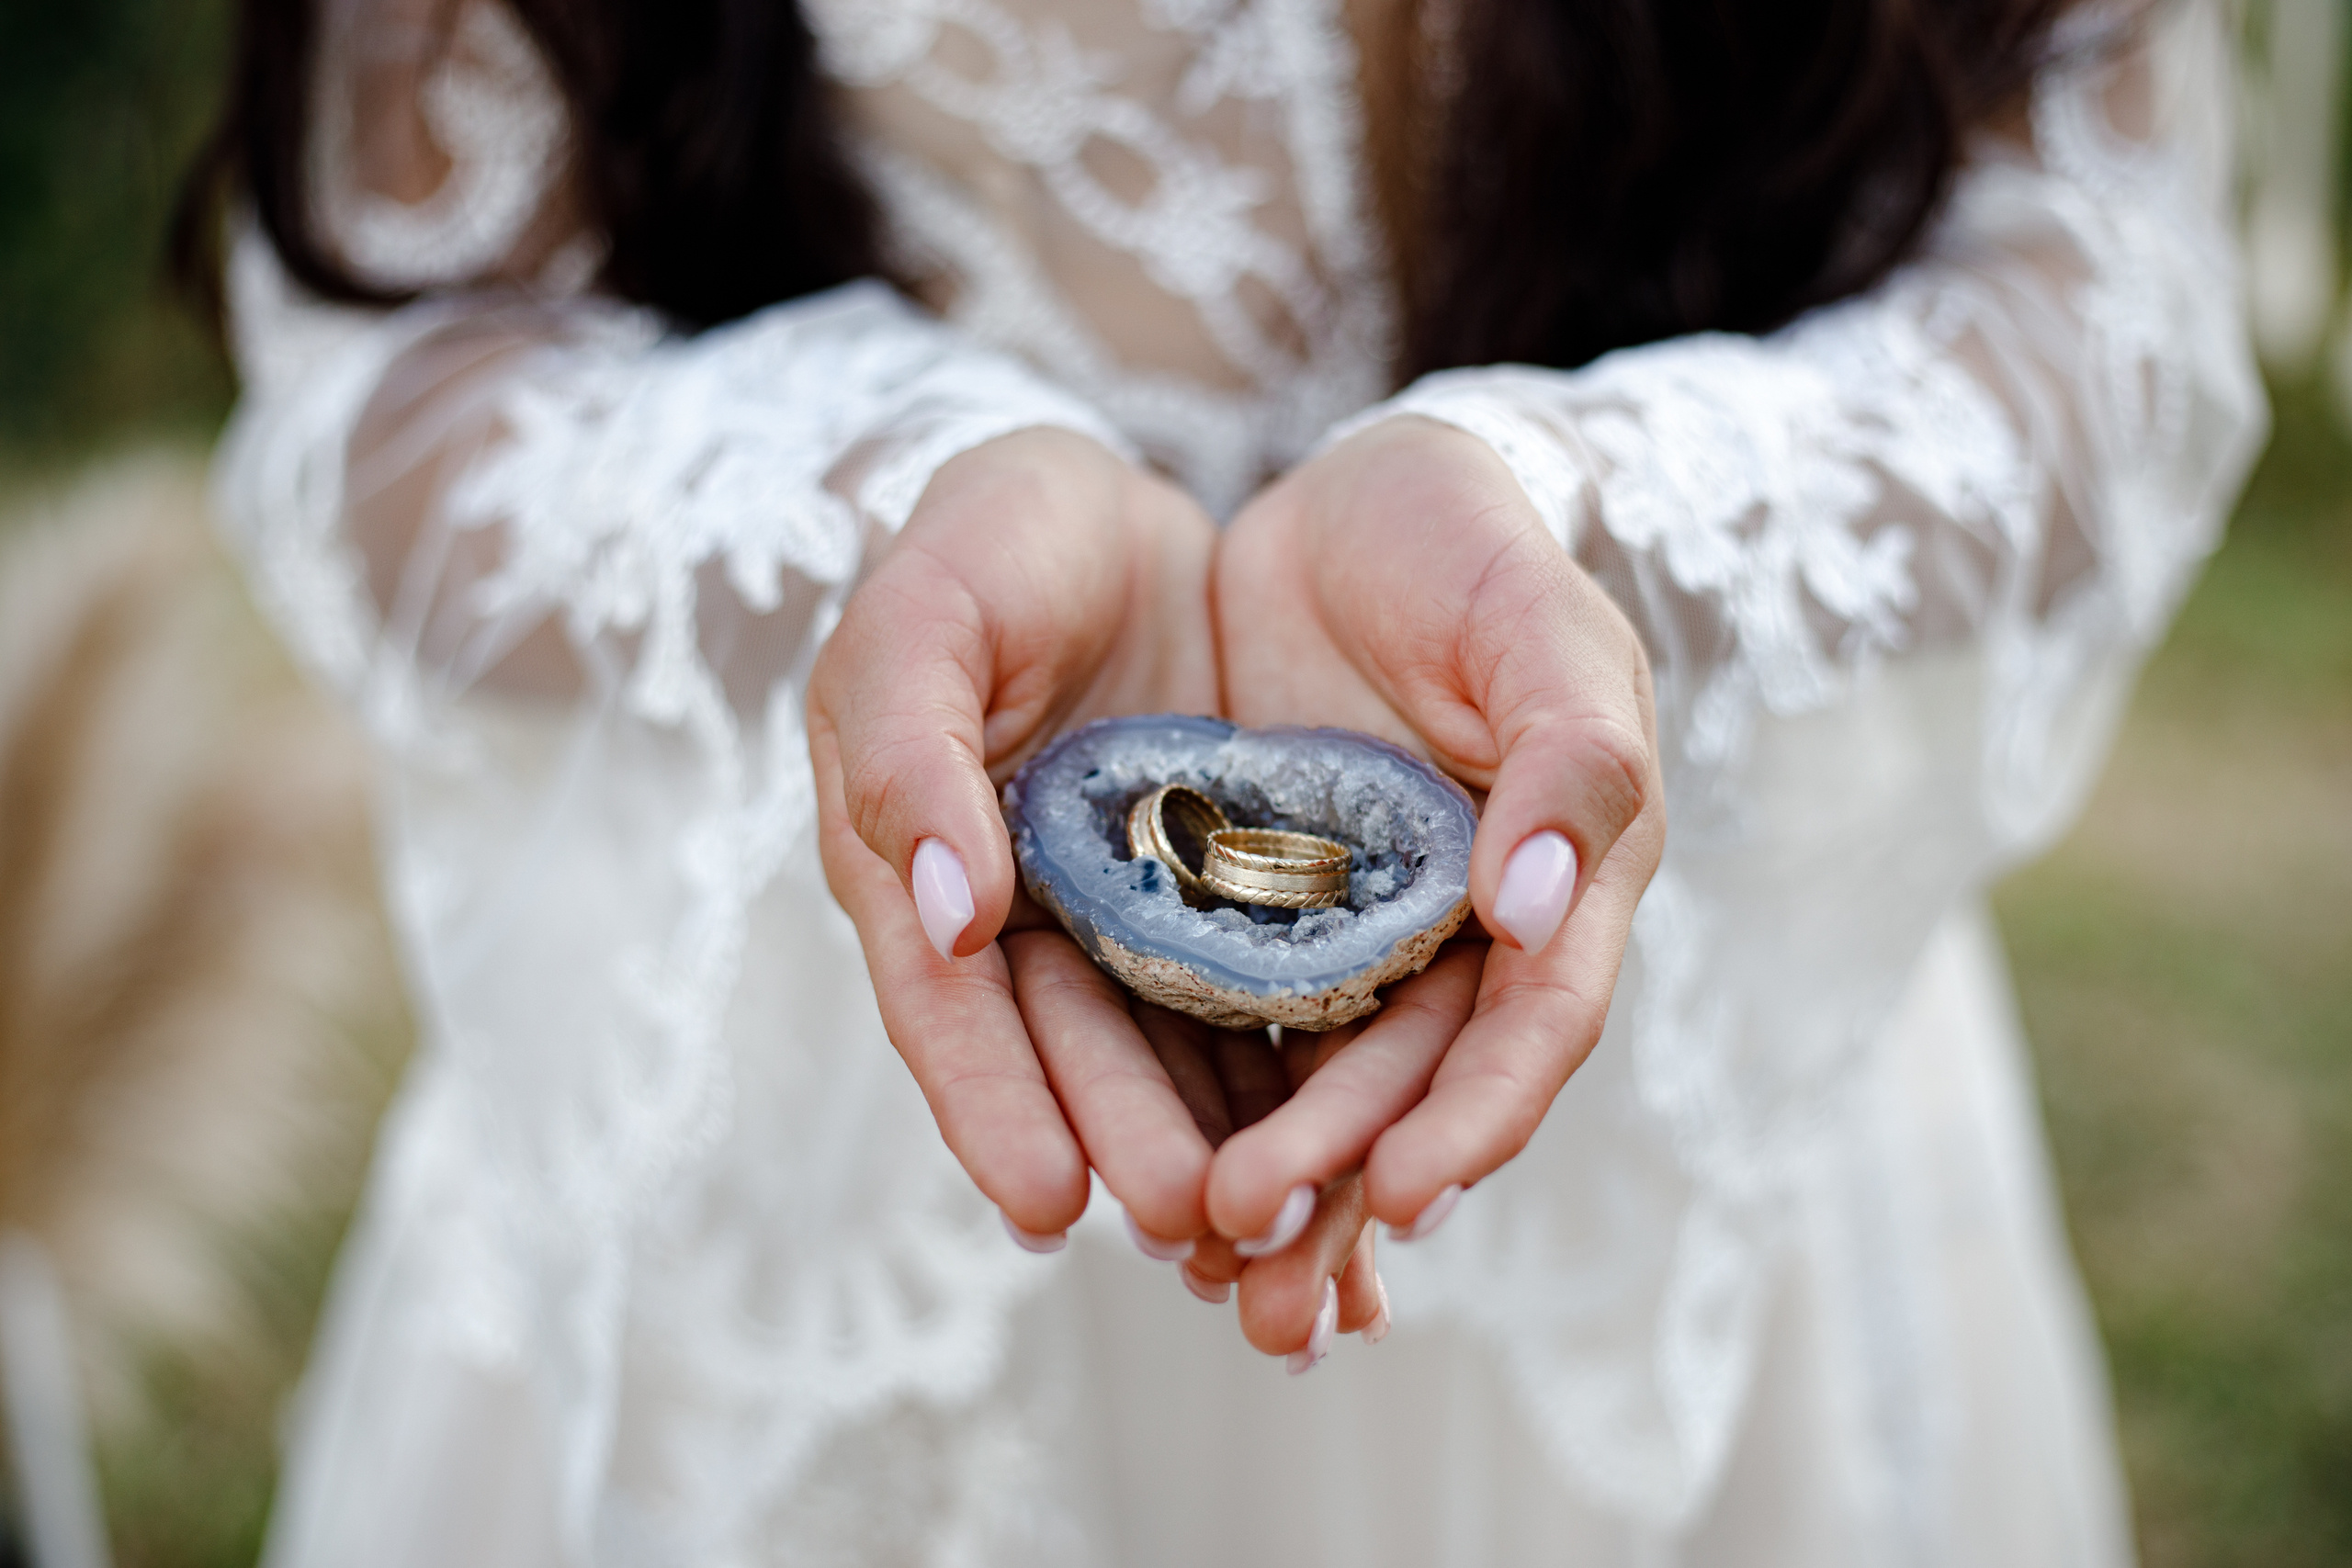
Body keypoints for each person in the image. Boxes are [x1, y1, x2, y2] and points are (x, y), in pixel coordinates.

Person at [176, 0, 2265, 1560]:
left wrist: (1575, 504)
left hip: (1676, 1048)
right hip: (813, 1092)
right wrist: (890, 494)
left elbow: (2106, 300)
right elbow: (407, 377)